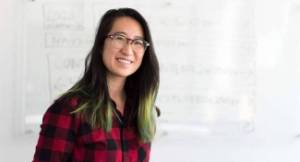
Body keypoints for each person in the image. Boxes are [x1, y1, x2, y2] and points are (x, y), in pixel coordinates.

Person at [33, 8, 160, 162]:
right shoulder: (69, 110)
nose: (128, 50)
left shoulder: (142, 109)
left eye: (138, 42)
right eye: (119, 37)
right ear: (101, 45)